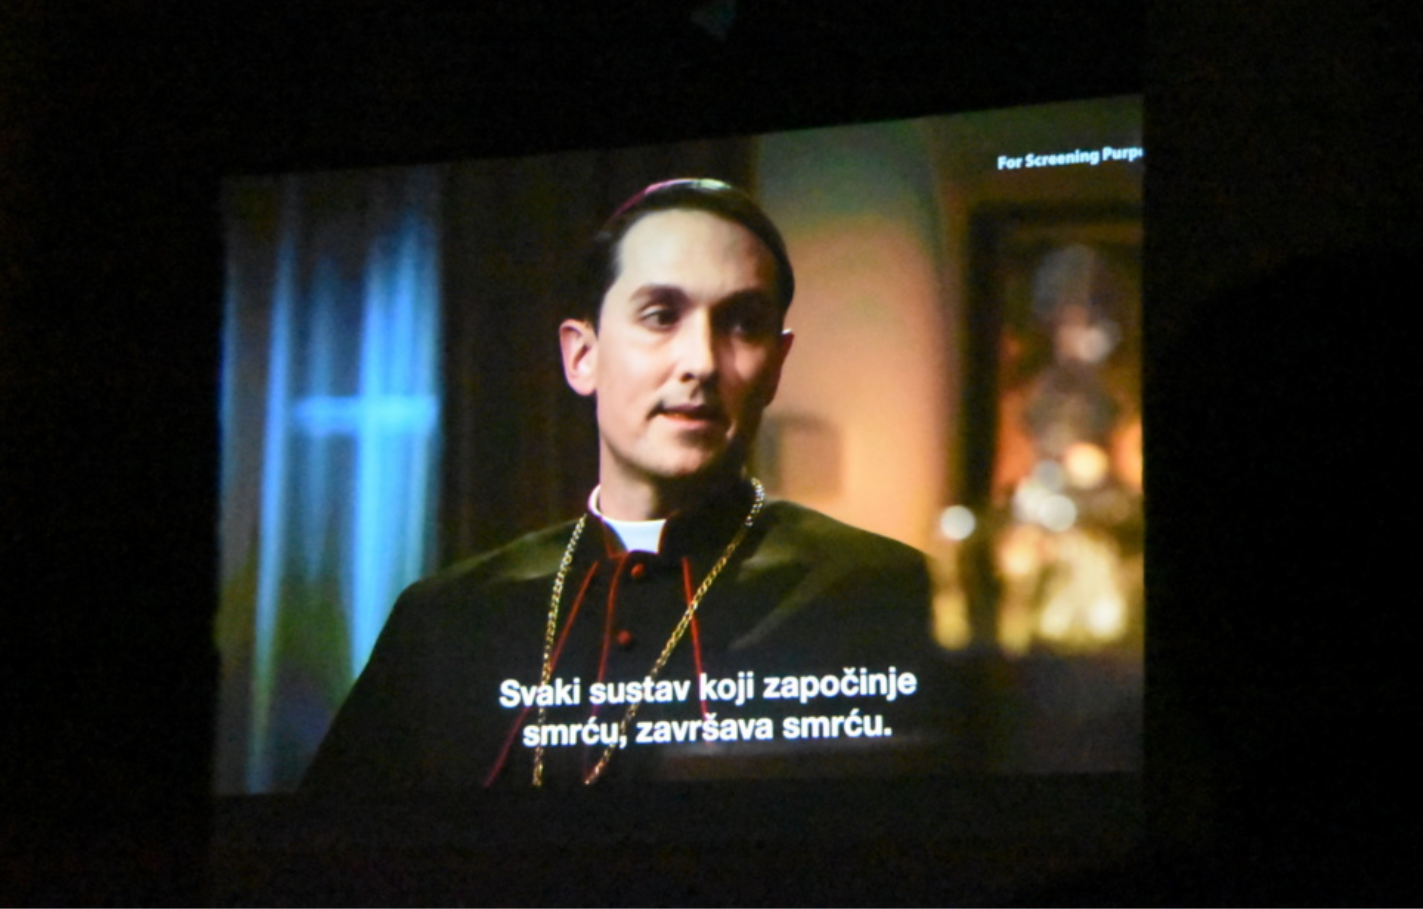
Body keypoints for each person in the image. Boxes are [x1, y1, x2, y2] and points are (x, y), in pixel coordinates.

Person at [302, 179, 946, 790]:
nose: (700, 362)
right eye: (661, 316)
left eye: (743, 324)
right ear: (582, 356)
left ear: (776, 367)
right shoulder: (445, 620)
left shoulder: (885, 593)